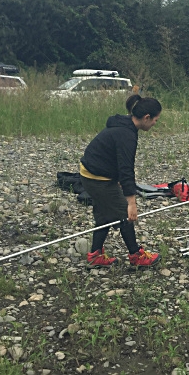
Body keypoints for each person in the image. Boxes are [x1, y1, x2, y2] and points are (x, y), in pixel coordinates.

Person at [80, 94, 162, 267]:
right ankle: (136, 256)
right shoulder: (127, 135)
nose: (155, 123)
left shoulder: (125, 124)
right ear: (146, 118)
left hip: (93, 173)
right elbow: (126, 169)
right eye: (155, 119)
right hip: (96, 177)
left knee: (104, 214)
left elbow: (114, 156)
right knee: (124, 215)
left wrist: (115, 178)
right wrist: (131, 202)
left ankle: (95, 256)